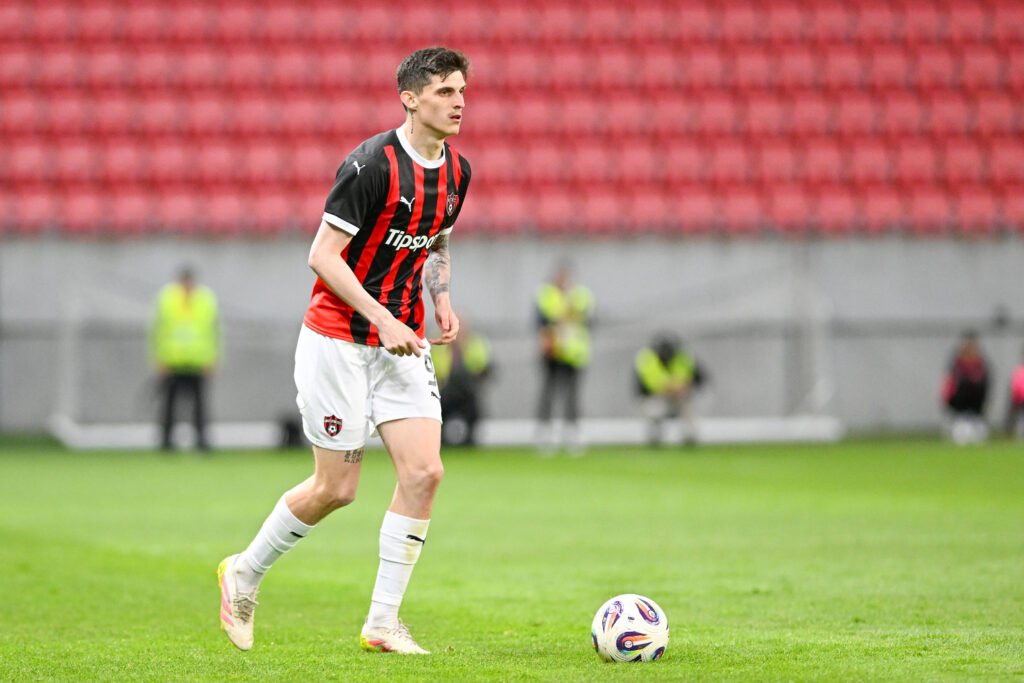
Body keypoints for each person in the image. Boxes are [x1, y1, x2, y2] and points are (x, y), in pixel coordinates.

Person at [216, 47, 472, 655]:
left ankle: (382, 622)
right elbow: (322, 256)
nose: (458, 102)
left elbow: (435, 242)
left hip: (401, 342)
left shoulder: (458, 172)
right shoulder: (371, 165)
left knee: (425, 473)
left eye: (462, 91)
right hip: (338, 340)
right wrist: (381, 317)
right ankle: (244, 573)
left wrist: (440, 299)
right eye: (444, 91)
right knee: (336, 489)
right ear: (410, 99)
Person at [149, 266, 220, 451]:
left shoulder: (205, 300)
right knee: (169, 405)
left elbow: (213, 332)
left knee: (199, 406)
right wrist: (159, 358)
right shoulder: (167, 299)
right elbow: (158, 330)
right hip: (173, 360)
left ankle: (202, 441)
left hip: (197, 361)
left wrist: (212, 359)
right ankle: (166, 442)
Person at [534, 264, 594, 450]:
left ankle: (572, 430)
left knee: (572, 395)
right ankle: (545, 431)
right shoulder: (546, 294)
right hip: (553, 352)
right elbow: (541, 321)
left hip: (574, 354)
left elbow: (589, 320)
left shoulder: (580, 296)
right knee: (549, 392)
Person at [635, 334, 707, 446]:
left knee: (688, 408)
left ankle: (690, 437)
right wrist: (667, 388)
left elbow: (700, 379)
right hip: (657, 398)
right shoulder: (647, 360)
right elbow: (642, 389)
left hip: (681, 398)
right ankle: (654, 438)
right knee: (654, 411)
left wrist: (685, 386)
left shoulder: (684, 358)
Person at [431, 323, 492, 446]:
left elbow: (482, 366)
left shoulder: (474, 343)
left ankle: (470, 437)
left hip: (467, 390)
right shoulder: (437, 344)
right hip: (444, 390)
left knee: (473, 408)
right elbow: (432, 366)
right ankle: (439, 438)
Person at [942, 330, 990, 444]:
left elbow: (986, 385)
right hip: (960, 407)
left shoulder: (980, 364)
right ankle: (961, 420)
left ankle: (975, 420)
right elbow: (951, 386)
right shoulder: (956, 364)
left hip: (976, 408)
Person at [1005, 345, 1024, 439]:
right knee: (1012, 408)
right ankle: (1010, 433)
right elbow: (1015, 389)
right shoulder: (1019, 371)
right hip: (1020, 402)